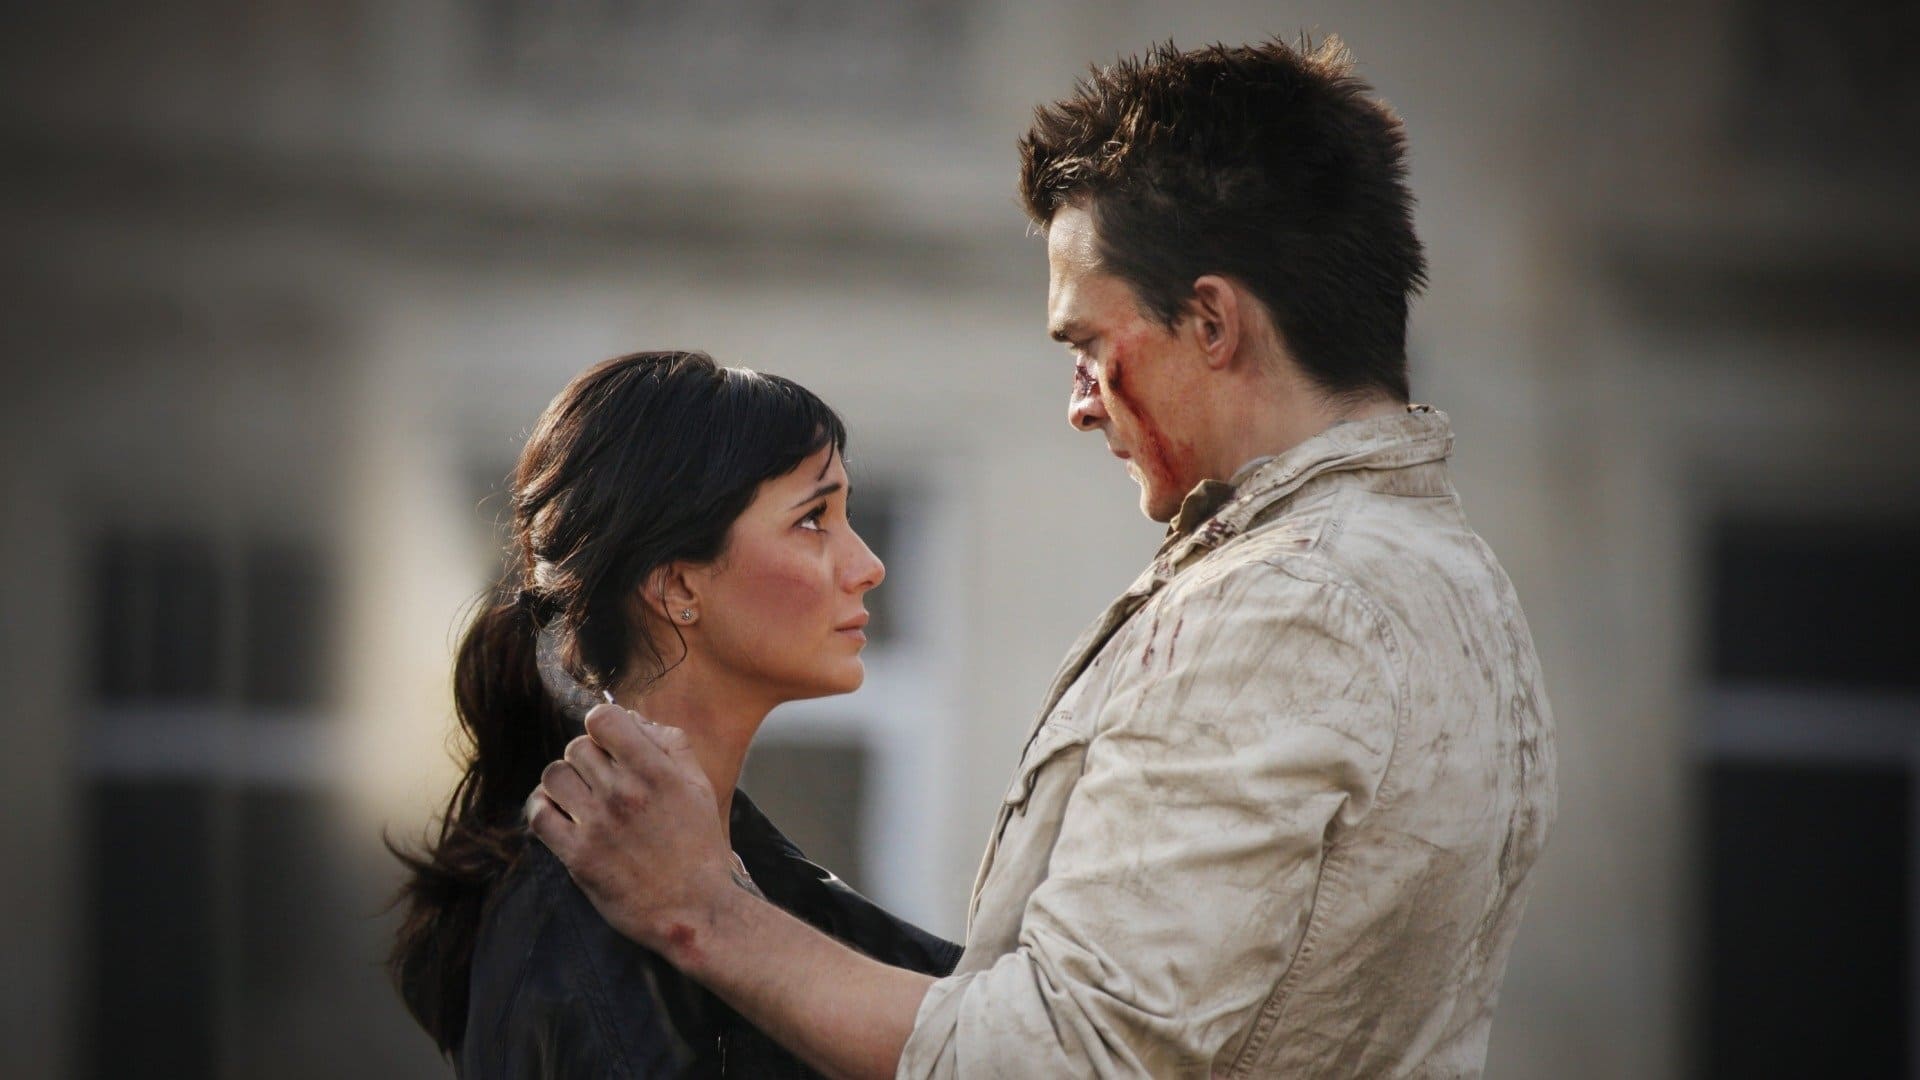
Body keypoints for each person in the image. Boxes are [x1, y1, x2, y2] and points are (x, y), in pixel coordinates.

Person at [529, 37, 1558, 1078]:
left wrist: (700, 911)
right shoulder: (1460, 579)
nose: (1079, 405)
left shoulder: (1285, 607)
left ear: (1212, 322)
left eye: (1089, 346)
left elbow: (1070, 1056)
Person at [388, 351, 961, 1077]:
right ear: (677, 587)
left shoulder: (762, 888)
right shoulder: (569, 919)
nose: (869, 565)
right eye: (814, 519)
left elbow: (1015, 1036)